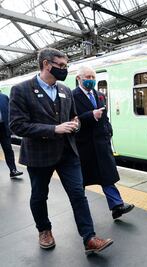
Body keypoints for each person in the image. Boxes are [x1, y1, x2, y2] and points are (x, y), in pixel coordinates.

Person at [9, 48, 113, 255]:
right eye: (62, 66)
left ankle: (89, 238)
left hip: (68, 152)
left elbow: (74, 117)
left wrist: (76, 123)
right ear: (47, 65)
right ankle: (44, 230)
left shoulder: (65, 90)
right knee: (39, 195)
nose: (65, 70)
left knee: (78, 194)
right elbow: (17, 125)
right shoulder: (21, 90)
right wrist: (53, 129)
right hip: (39, 154)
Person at [73, 66, 134, 219]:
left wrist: (109, 131)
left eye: (93, 77)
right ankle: (79, 208)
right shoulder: (72, 96)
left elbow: (104, 117)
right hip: (84, 145)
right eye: (87, 77)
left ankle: (117, 206)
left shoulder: (100, 95)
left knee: (107, 175)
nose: (91, 80)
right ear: (79, 78)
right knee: (81, 179)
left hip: (101, 143)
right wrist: (90, 115)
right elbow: (72, 119)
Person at [0, 91, 23, 178]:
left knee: (8, 149)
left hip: (4, 128)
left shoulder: (4, 97)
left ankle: (13, 170)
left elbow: (11, 111)